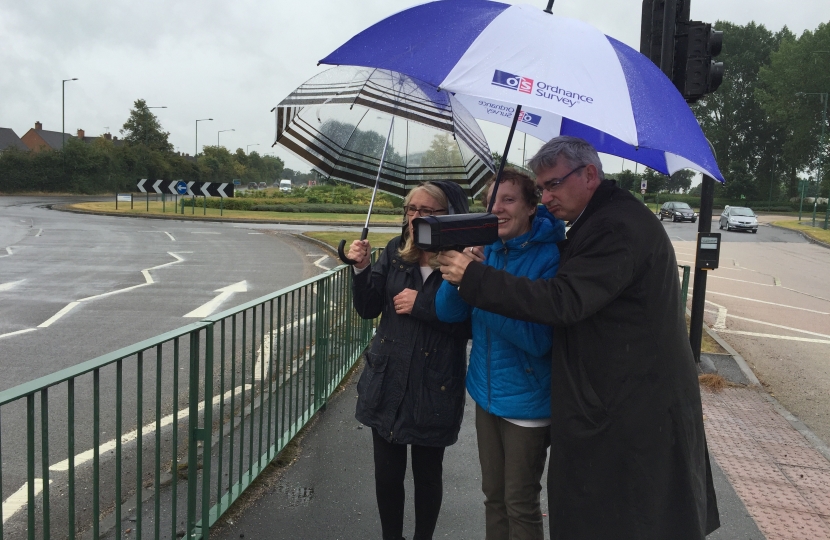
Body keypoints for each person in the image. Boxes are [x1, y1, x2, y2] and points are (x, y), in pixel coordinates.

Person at [437, 137, 720, 540]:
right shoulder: (599, 220)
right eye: (542, 188)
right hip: (617, 401)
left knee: (624, 519)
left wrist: (476, 279)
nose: (547, 196)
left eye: (553, 184)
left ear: (590, 175)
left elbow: (563, 301)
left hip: (632, 410)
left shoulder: (615, 226)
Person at [434, 169, 565, 540]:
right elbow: (448, 312)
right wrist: (463, 266)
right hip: (487, 393)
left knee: (520, 502)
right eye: (491, 200)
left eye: (508, 200)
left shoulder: (548, 259)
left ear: (531, 207)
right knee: (493, 497)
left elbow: (539, 340)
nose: (498, 209)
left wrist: (480, 284)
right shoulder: (486, 248)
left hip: (528, 401)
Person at [347, 181, 472, 540]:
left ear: (450, 215)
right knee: (387, 475)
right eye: (411, 209)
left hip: (435, 382)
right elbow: (369, 307)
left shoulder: (463, 259)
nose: (416, 217)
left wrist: (421, 307)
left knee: (428, 474)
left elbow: (471, 325)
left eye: (427, 211)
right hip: (387, 379)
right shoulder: (394, 252)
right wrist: (360, 269)